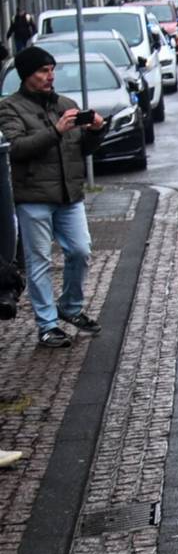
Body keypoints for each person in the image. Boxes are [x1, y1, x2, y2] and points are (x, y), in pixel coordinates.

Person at [0, 45, 106, 349]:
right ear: (26, 75)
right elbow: (18, 148)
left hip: (68, 195)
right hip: (33, 196)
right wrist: (57, 131)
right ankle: (47, 326)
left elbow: (80, 149)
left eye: (52, 70)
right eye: (43, 71)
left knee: (81, 251)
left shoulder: (65, 104)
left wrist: (96, 131)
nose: (50, 76)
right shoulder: (10, 108)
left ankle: (70, 308)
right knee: (39, 262)